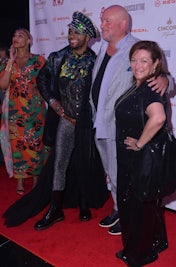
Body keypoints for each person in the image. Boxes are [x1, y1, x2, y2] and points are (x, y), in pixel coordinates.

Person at [89, 4, 174, 235]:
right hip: (101, 123)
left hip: (122, 129)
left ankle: (127, 216)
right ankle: (119, 208)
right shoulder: (103, 49)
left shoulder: (136, 48)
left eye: (107, 20)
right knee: (112, 174)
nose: (102, 24)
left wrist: (165, 80)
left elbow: (160, 75)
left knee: (123, 176)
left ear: (123, 24)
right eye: (102, 20)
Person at [33, 11, 105, 230]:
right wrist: (54, 103)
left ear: (88, 37)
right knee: (60, 163)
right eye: (70, 31)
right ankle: (55, 209)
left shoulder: (96, 61)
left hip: (86, 124)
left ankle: (84, 203)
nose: (71, 35)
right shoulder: (57, 57)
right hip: (65, 121)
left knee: (85, 163)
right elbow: (42, 80)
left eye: (77, 32)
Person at [114, 40, 169, 266]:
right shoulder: (140, 85)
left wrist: (139, 143)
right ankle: (156, 241)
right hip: (138, 157)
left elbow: (158, 117)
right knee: (146, 203)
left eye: (144, 60)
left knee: (134, 206)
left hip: (137, 157)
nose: (138, 65)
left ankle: (138, 254)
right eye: (134, 59)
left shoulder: (149, 88)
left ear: (155, 64)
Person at [0, 29, 50, 194]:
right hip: (15, 111)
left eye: (20, 35)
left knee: (35, 144)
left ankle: (36, 181)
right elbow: (3, 85)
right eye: (14, 35)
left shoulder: (39, 60)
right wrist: (10, 61)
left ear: (29, 40)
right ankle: (20, 181)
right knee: (17, 145)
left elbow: (47, 83)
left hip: (35, 110)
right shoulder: (9, 62)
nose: (16, 38)